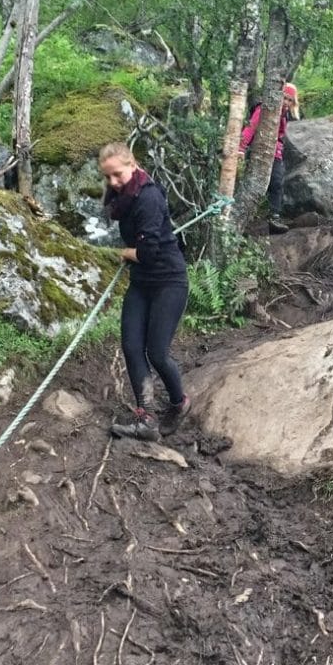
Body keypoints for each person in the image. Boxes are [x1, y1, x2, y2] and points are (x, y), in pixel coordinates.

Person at [98, 142, 190, 441]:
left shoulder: (148, 196)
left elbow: (148, 252)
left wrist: (125, 253)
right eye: (107, 176)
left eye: (117, 174)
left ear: (133, 165)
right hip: (142, 282)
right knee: (131, 346)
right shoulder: (123, 195)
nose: (112, 182)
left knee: (157, 353)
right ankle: (146, 418)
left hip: (168, 280)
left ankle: (179, 403)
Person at [239, 82, 300, 234]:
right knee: (255, 186)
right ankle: (245, 219)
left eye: (290, 100)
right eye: (284, 98)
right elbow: (251, 128)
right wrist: (241, 148)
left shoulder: (287, 115)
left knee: (277, 182)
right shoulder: (264, 109)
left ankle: (274, 216)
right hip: (260, 151)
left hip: (276, 153)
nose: (286, 102)